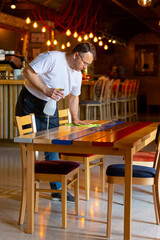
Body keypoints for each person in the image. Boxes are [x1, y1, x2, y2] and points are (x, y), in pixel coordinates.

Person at [15, 42, 96, 202]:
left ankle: (57, 191)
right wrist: (46, 89)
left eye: (88, 64)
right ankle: (31, 186)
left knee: (53, 145)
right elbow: (27, 72)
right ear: (76, 55)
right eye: (84, 62)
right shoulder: (52, 58)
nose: (85, 67)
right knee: (29, 146)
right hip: (29, 101)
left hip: (50, 106)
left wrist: (76, 118)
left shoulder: (77, 74)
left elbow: (74, 97)